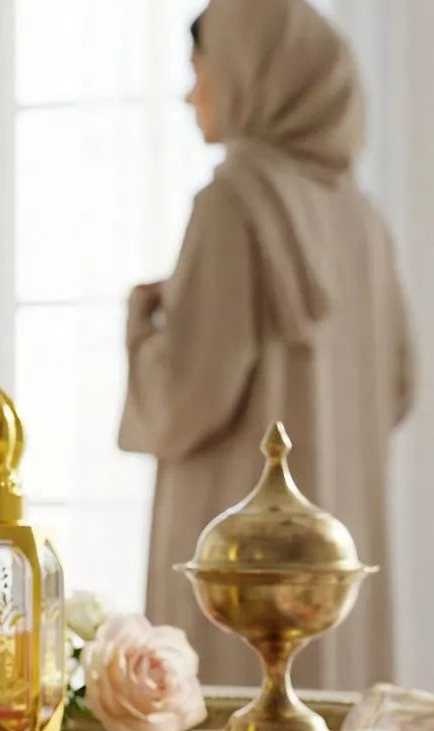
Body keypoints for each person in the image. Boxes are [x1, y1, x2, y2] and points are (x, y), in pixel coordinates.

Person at [119, 0, 413, 689]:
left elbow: (189, 398)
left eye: (201, 70)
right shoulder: (364, 221)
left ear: (251, 71)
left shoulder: (233, 201)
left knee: (239, 729)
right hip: (334, 550)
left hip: (243, 563)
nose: (191, 94)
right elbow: (398, 388)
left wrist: (143, 329)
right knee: (331, 729)